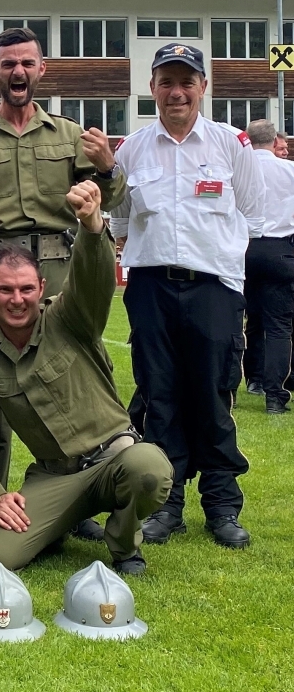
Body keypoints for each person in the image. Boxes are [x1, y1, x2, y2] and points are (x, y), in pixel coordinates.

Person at [0, 27, 127, 542]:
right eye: (8, 64)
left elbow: (110, 199)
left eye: (27, 64)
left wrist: (107, 168)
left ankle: (77, 491)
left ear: (43, 70)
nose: (18, 72)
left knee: (67, 379)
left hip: (58, 269)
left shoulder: (67, 134)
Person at [0, 181, 174, 575]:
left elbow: (92, 281)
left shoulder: (69, 317)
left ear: (41, 288)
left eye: (25, 289)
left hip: (114, 459)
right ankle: (61, 521)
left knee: (150, 471)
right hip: (56, 476)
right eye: (4, 290)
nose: (16, 299)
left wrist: (91, 226)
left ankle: (124, 546)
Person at [110, 42, 262, 549]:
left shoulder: (230, 144)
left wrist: (234, 276)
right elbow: (121, 221)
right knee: (160, 398)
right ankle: (166, 505)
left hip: (214, 289)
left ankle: (221, 505)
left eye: (186, 82)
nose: (177, 92)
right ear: (151, 87)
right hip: (152, 288)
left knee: (215, 396)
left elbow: (255, 209)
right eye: (166, 82)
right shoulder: (131, 149)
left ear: (203, 86)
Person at [242, 120, 294, 414]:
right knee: (279, 327)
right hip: (279, 249)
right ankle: (275, 396)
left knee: (238, 321)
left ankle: (246, 380)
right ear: (275, 141)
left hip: (242, 249)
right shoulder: (290, 170)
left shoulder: (239, 169)